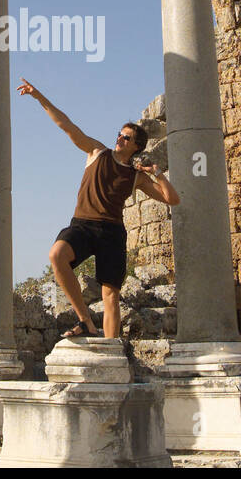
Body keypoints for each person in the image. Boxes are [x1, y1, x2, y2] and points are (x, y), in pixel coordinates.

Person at [17, 77, 179, 340]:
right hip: (82, 224)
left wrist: (157, 172)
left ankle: (112, 351)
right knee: (57, 256)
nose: (119, 139)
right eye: (119, 134)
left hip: (112, 233)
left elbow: (172, 199)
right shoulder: (96, 152)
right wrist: (39, 96)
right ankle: (85, 321)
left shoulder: (136, 176)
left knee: (110, 296)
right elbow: (66, 125)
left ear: (136, 146)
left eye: (126, 138)